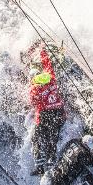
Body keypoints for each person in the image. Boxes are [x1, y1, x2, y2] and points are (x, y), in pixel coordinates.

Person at [28, 47, 66, 175]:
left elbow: (33, 102)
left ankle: (40, 167)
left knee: (37, 138)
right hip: (59, 114)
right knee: (52, 139)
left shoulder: (35, 87)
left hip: (45, 116)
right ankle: (51, 164)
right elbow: (48, 63)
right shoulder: (51, 77)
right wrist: (43, 51)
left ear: (33, 77)